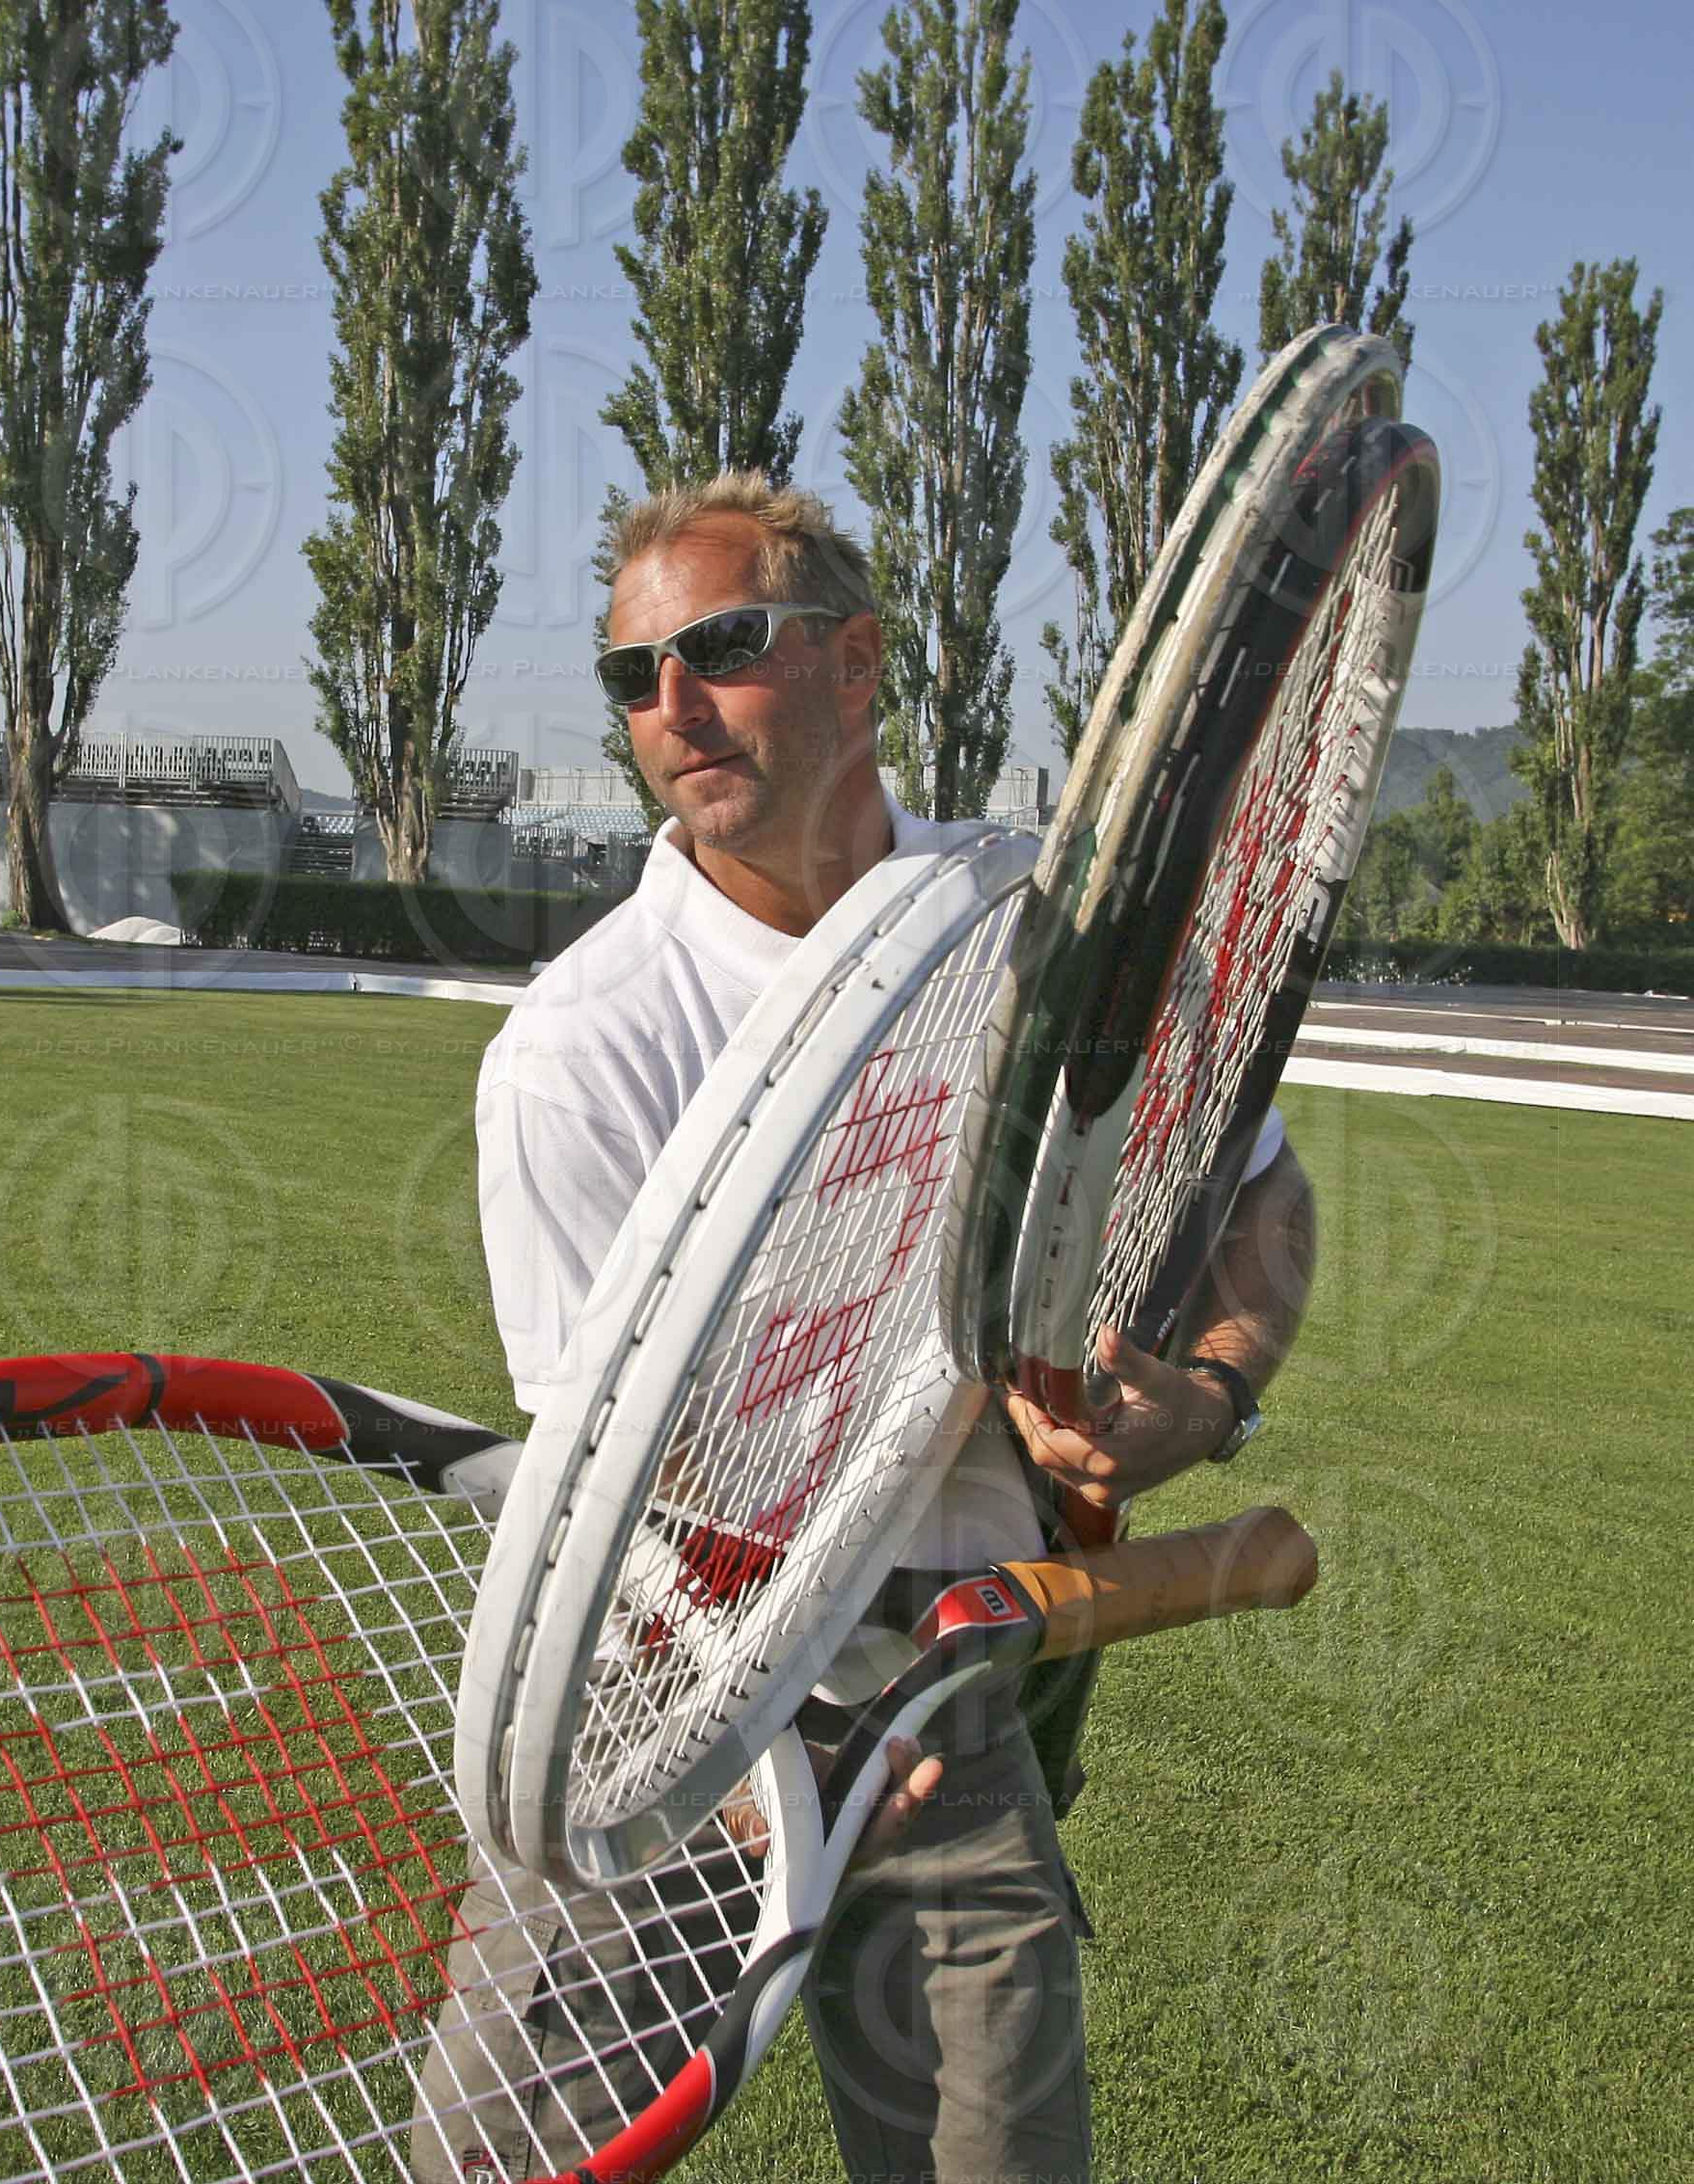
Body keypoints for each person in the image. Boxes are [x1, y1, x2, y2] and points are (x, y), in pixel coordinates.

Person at [423, 473, 1317, 2184]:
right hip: (667, 1698)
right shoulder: (578, 1045)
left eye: (721, 647)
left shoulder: (1044, 938)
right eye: (631, 676)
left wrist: (1207, 1399)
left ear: (855, 664)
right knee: (496, 2164)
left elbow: (1264, 1199)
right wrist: (760, 1736)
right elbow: (603, 1483)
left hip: (954, 1692)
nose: (672, 705)